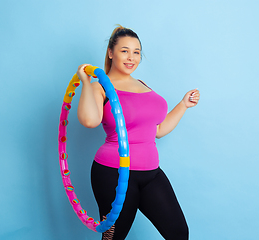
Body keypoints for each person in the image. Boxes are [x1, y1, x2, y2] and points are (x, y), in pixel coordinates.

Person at [76, 25, 200, 240]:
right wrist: (86, 82)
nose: (131, 57)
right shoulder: (101, 87)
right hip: (113, 172)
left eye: (136, 52)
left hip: (151, 172)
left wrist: (183, 105)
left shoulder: (142, 84)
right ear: (110, 53)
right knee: (114, 237)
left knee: (179, 233)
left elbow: (158, 130)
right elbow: (89, 120)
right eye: (124, 51)